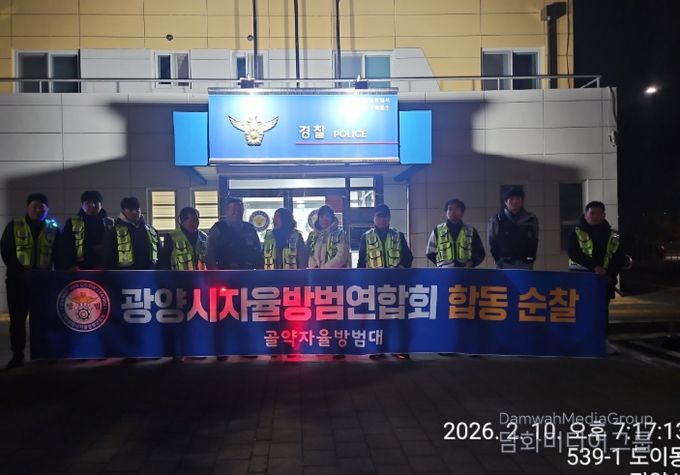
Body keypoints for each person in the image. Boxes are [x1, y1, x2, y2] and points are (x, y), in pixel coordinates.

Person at [1, 193, 61, 368]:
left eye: (42, 207)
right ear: (27, 208)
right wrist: (21, 272)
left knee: (44, 319)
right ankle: (17, 355)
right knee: (17, 320)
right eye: (34, 206)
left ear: (47, 209)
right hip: (17, 282)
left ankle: (45, 353)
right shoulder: (14, 225)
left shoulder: (53, 228)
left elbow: (58, 253)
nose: (38, 209)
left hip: (43, 282)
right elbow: (6, 251)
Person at [567, 201, 625, 352]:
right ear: (585, 215)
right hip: (581, 280)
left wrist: (610, 274)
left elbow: (619, 257)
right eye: (592, 213)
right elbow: (573, 252)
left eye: (599, 213)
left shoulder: (614, 234)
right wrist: (594, 266)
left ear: (604, 215)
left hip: (603, 281)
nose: (595, 216)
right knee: (581, 311)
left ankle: (601, 342)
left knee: (601, 313)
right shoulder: (576, 232)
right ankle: (579, 343)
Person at [358, 204, 413, 360]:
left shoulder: (398, 235)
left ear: (389, 218)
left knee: (398, 318)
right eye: (379, 216)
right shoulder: (366, 237)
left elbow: (408, 257)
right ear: (373, 218)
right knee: (378, 318)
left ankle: (400, 349)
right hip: (375, 284)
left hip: (396, 284)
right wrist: (362, 282)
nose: (381, 219)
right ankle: (378, 349)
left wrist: (400, 268)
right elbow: (361, 261)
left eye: (384, 216)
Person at [59, 190, 114, 270]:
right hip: (79, 268)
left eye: (95, 202)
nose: (92, 205)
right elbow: (65, 246)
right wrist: (69, 265)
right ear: (82, 205)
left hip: (106, 268)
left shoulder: (110, 222)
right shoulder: (72, 222)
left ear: (101, 205)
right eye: (88, 202)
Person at [204, 196, 263, 270]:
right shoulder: (218, 229)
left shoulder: (249, 228)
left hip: (248, 272)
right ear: (226, 211)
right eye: (234, 209)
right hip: (224, 272)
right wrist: (215, 274)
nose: (237, 212)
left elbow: (258, 252)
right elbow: (209, 255)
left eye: (240, 210)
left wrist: (259, 272)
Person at [487, 187, 539, 270]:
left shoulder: (531, 219)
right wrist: (497, 260)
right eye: (511, 199)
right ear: (505, 202)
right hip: (504, 264)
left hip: (525, 264)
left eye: (518, 198)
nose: (515, 201)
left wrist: (531, 258)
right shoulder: (496, 219)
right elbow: (492, 241)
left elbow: (535, 239)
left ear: (522, 201)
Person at [426, 198, 485, 268]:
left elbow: (480, 253)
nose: (453, 212)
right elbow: (430, 252)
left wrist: (471, 263)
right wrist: (441, 264)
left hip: (466, 270)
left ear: (462, 213)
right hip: (444, 271)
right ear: (446, 213)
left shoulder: (471, 231)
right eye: (450, 209)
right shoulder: (437, 230)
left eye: (456, 209)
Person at [103, 196, 159, 270]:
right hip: (123, 274)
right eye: (130, 209)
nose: (134, 212)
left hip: (149, 273)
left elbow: (161, 255)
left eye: (137, 209)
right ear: (123, 211)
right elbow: (108, 258)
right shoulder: (114, 232)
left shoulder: (151, 230)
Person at [307, 205, 350, 269]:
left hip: (335, 272)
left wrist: (325, 268)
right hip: (315, 272)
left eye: (327, 216)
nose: (324, 220)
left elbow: (341, 257)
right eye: (321, 217)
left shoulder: (340, 234)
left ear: (332, 218)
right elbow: (308, 253)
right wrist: (314, 267)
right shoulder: (312, 235)